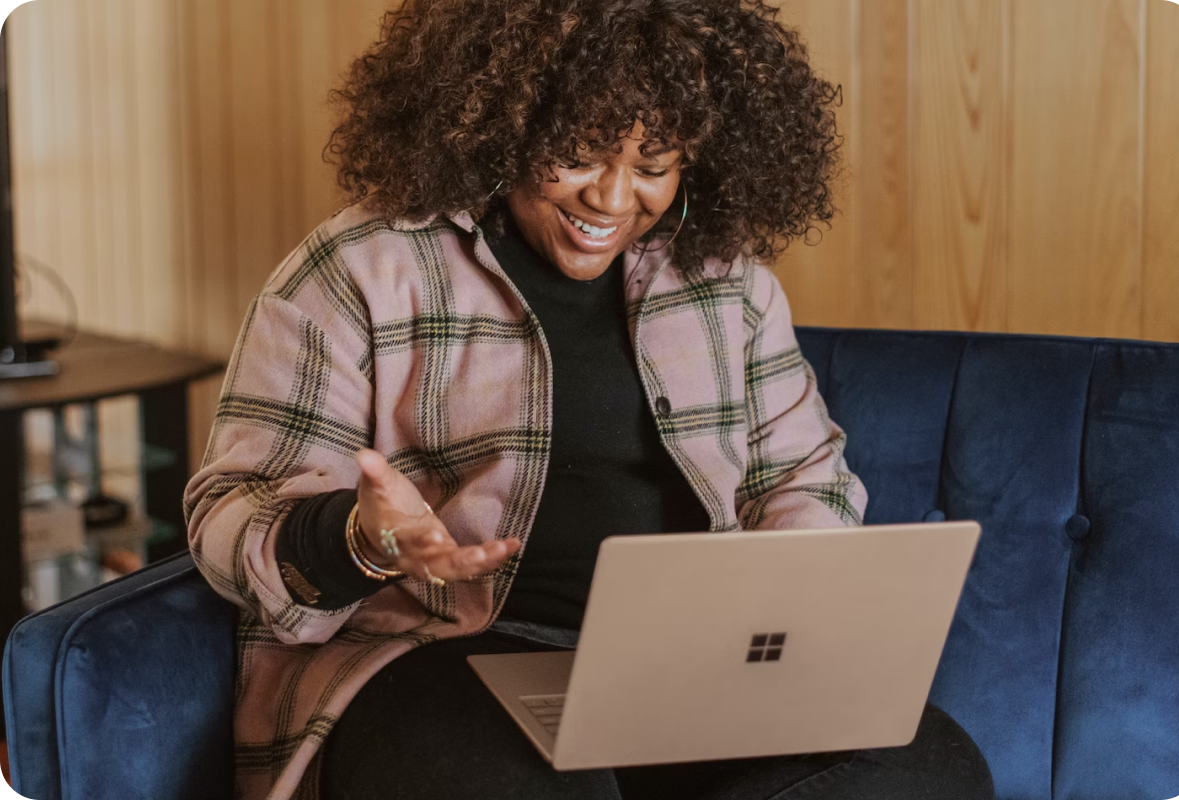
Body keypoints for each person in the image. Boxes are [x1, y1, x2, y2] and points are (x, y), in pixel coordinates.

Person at [182, 1, 994, 798]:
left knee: (928, 769)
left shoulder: (727, 283)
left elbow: (800, 478)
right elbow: (227, 514)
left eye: (652, 165)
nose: (610, 201)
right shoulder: (359, 270)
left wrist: (790, 604)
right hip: (439, 660)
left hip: (683, 669)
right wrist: (359, 539)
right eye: (579, 152)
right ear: (506, 121)